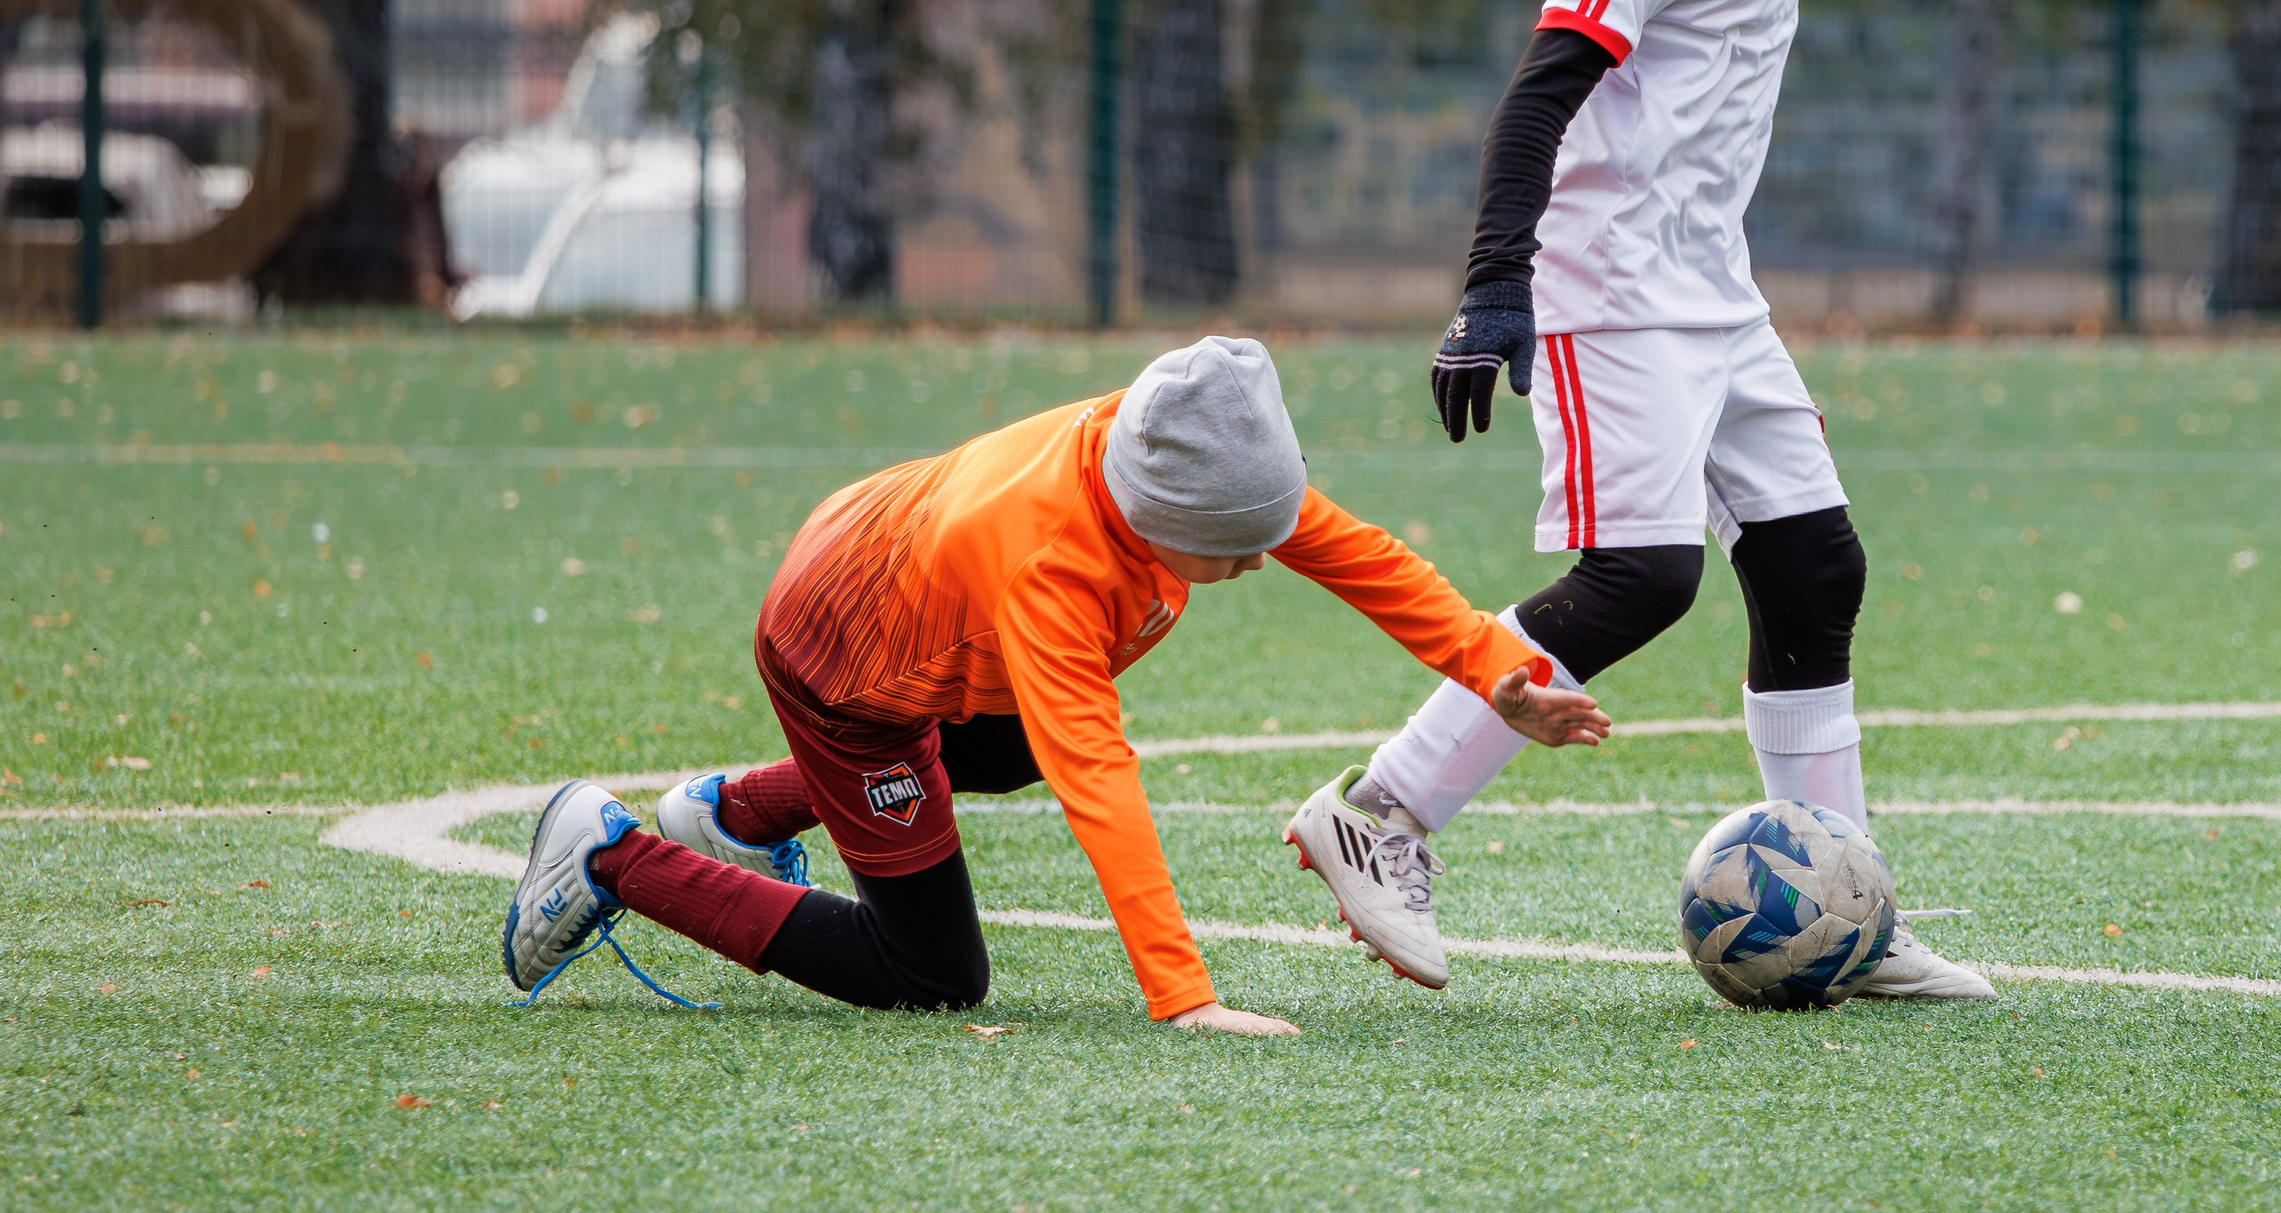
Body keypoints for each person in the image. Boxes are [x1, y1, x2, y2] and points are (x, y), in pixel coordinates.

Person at [1282, 0, 1991, 1000]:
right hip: (1607, 290)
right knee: (1642, 575)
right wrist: (1494, 287)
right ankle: (1381, 810)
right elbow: (1546, 84)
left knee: (1811, 566)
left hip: (1710, 293)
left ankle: (1842, 903)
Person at [502, 335, 1608, 1034]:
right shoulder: (1050, 571)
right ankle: (609, 852)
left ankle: (730, 814)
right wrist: (1186, 997)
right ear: (1165, 524)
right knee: (931, 974)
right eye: (1239, 551)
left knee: (999, 748)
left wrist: (1497, 674)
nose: (1264, 562)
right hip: (839, 661)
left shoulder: (1184, 447)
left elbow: (1359, 556)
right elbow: (1100, 780)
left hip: (915, 606)